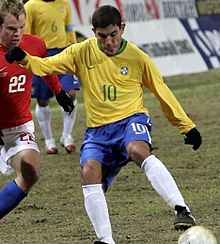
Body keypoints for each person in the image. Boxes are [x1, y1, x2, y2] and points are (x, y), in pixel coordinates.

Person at [5, 5, 202, 243]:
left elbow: (163, 93)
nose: (108, 41)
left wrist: (186, 125)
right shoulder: (81, 52)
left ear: (122, 29)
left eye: (113, 35)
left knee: (137, 149)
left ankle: (181, 209)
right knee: (89, 172)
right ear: (93, 32)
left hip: (131, 119)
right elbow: (47, 66)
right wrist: (25, 59)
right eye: (101, 36)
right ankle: (106, 240)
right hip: (97, 131)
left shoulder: (139, 58)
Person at [0, 0, 74, 219]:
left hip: (18, 126)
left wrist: (59, 92)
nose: (18, 34)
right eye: (11, 29)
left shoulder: (34, 45)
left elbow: (44, 67)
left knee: (30, 171)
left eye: (21, 27)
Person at [24, 0, 80, 154]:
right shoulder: (31, 6)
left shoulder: (64, 4)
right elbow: (26, 34)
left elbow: (69, 27)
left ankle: (67, 135)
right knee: (43, 100)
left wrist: (74, 49)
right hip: (42, 56)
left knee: (71, 92)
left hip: (64, 54)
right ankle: (49, 140)